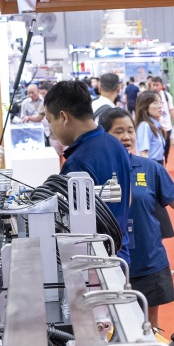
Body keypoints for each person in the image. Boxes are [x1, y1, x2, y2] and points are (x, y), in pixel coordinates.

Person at [98, 108, 174, 326]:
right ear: (104, 136)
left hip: (148, 259)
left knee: (149, 325)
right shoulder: (97, 170)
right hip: (112, 261)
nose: (126, 137)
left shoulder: (150, 168)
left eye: (130, 130)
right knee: (112, 325)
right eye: (118, 131)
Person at [44, 79, 132, 252]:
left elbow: (71, 223)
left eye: (50, 121)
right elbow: (128, 198)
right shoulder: (115, 144)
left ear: (64, 117)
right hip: (121, 249)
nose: (51, 128)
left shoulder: (78, 162)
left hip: (94, 256)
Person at [134, 90, 167, 163]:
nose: (160, 106)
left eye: (160, 102)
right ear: (145, 107)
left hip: (157, 164)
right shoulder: (145, 126)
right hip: (150, 165)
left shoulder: (156, 125)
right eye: (155, 103)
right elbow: (143, 154)